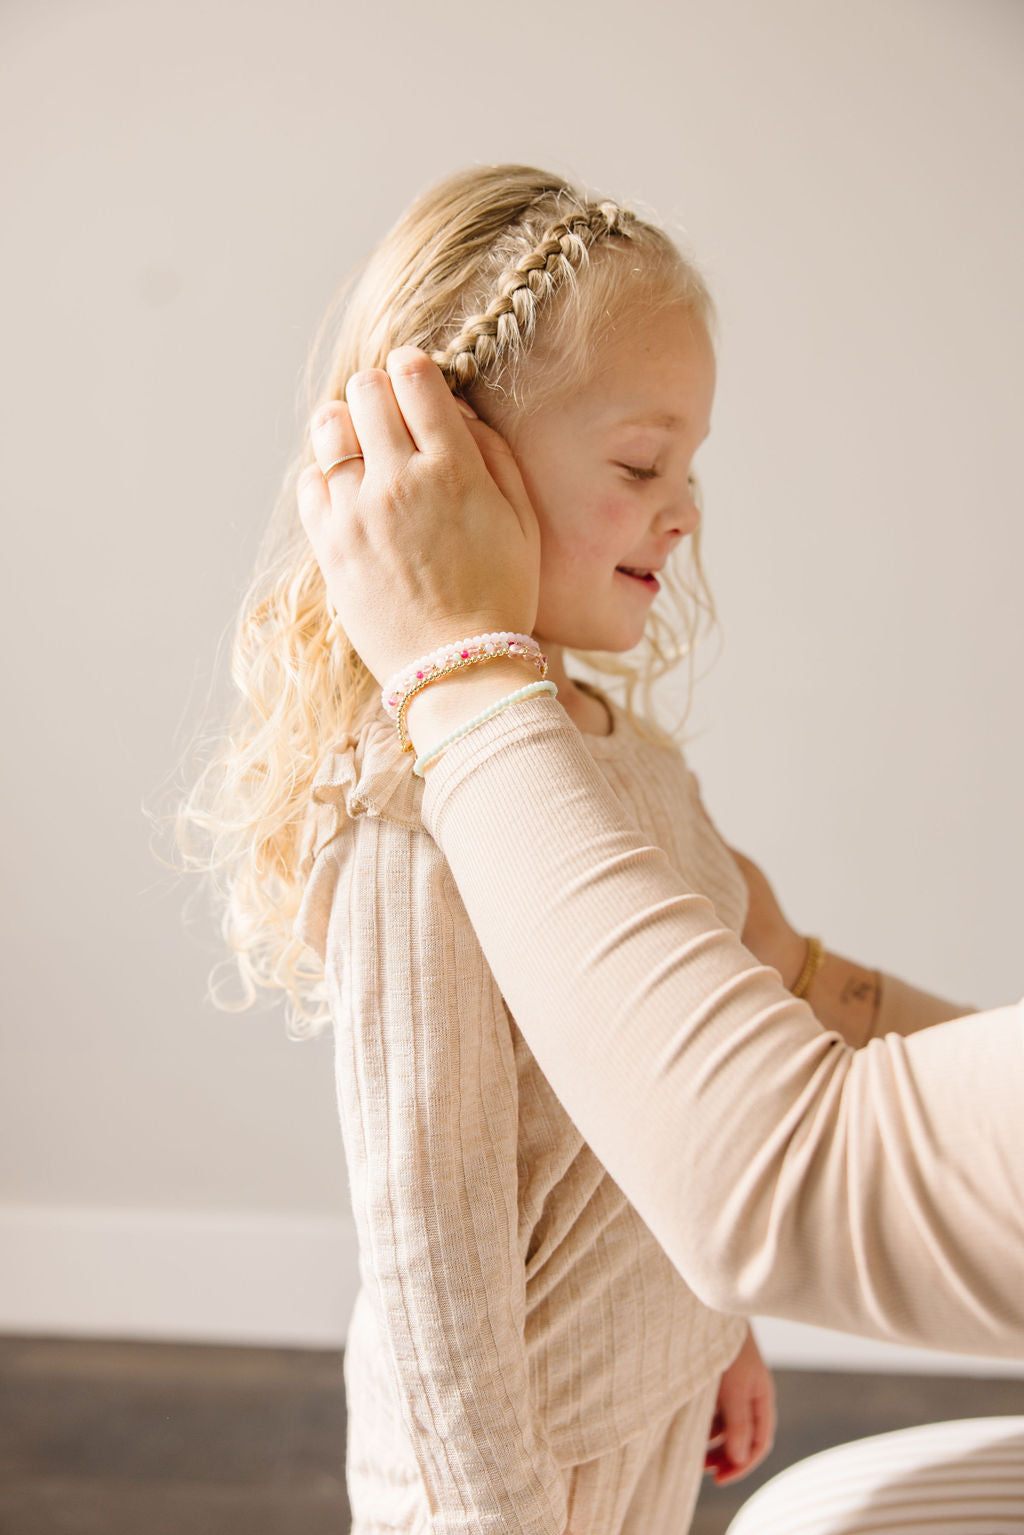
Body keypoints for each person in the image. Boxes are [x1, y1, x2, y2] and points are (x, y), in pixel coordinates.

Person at [294, 173, 1024, 1362]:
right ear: (449, 462)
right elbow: (437, 1272)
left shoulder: (611, 764)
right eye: (640, 467)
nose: (682, 512)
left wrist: (707, 1335)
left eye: (684, 468)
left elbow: (699, 1165)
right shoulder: (409, 817)